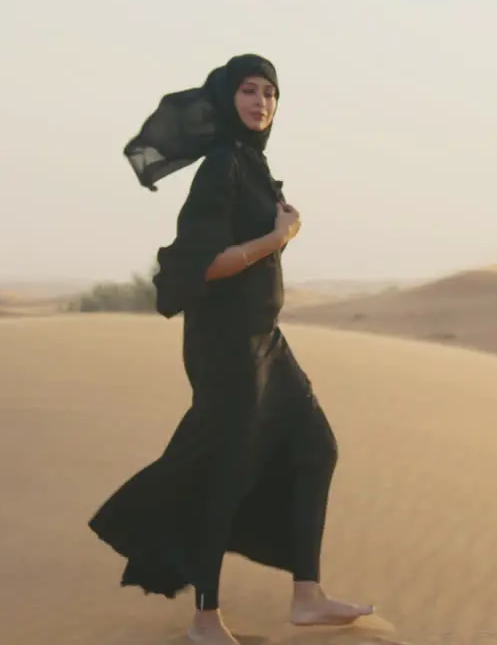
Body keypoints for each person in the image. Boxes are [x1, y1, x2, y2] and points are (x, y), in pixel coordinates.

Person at [89, 54, 374, 644]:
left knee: (314, 446)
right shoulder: (220, 167)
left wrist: (276, 234)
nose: (261, 102)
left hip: (266, 340)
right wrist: (276, 237)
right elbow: (202, 265)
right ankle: (204, 619)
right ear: (226, 97)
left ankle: (307, 595)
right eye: (248, 90)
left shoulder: (253, 164)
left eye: (270, 93)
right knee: (224, 471)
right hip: (225, 346)